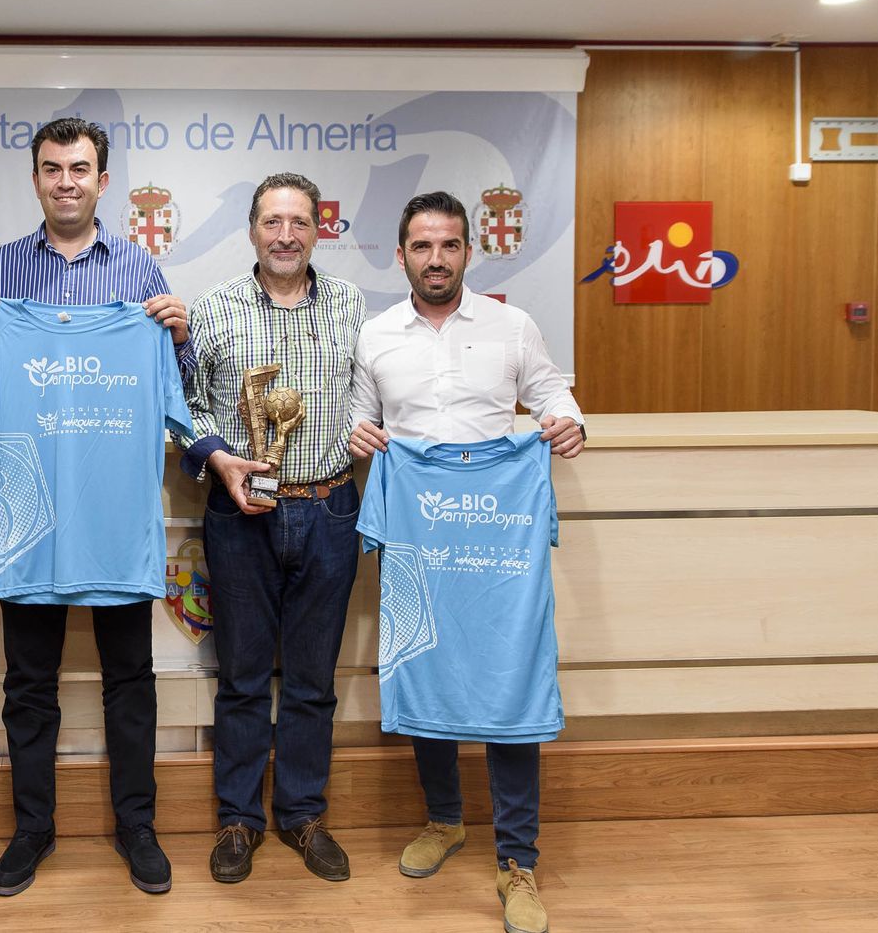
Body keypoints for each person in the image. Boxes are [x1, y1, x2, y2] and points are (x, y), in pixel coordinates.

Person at [0, 117, 190, 896]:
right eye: (52, 168)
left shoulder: (139, 271)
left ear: (103, 179)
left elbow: (177, 386)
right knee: (28, 683)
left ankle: (138, 827)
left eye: (80, 168)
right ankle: (32, 830)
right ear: (35, 179)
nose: (66, 180)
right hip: (31, 523)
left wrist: (177, 334)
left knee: (132, 678)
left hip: (116, 522)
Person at [348, 190, 585, 933]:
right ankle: (445, 819)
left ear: (468, 253)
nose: (436, 258)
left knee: (508, 682)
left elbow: (554, 394)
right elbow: (361, 415)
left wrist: (568, 422)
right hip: (417, 535)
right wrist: (360, 436)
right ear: (402, 255)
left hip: (498, 539)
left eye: (449, 245)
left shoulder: (513, 326)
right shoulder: (376, 334)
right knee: (427, 666)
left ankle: (518, 859)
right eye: (422, 246)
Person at [180, 172, 367, 884]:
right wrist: (219, 460)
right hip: (240, 513)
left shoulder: (352, 306)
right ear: (252, 230)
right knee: (244, 679)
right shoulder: (214, 308)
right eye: (271, 222)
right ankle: (238, 821)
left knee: (314, 680)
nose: (285, 235)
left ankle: (303, 814)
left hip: (328, 509)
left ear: (319, 229)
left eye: (299, 222)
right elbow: (189, 409)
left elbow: (371, 397)